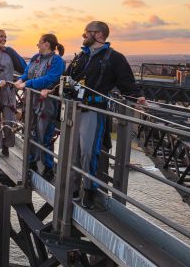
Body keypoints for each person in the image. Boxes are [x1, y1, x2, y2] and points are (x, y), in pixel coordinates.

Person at [43, 21, 145, 209]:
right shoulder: (82, 56)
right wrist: (50, 90)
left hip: (93, 111)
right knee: (73, 152)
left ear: (98, 34)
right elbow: (67, 78)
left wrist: (137, 97)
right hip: (74, 108)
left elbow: (126, 82)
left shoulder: (114, 58)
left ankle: (89, 190)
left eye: (85, 33)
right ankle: (73, 189)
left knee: (89, 152)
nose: (83, 36)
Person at [14, 34, 65, 181]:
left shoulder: (57, 61)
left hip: (46, 102)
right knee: (30, 130)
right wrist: (21, 79)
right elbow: (27, 72)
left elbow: (51, 78)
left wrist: (27, 84)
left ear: (47, 44)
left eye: (39, 43)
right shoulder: (36, 57)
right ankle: (31, 161)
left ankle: (48, 166)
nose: (37, 45)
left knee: (45, 134)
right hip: (30, 101)